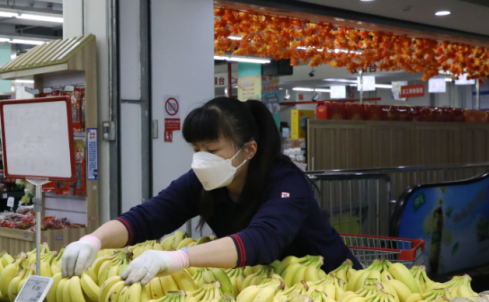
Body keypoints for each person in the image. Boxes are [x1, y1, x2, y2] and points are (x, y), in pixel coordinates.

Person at [61, 97, 360, 285]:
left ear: (248, 150)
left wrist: (178, 258)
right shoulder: (204, 181)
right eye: (196, 149)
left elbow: (263, 240)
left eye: (212, 149)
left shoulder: (285, 183)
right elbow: (150, 216)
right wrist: (94, 239)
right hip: (273, 291)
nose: (201, 159)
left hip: (333, 286)